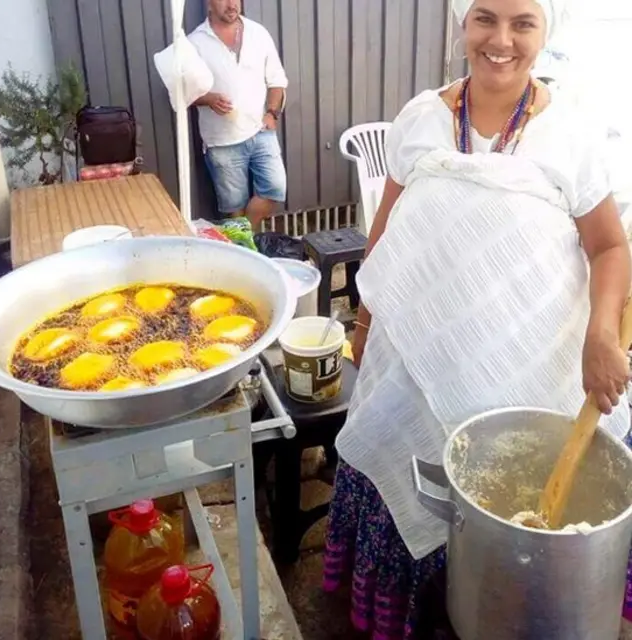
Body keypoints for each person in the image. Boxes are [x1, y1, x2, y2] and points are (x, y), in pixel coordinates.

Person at [323, 1, 632, 638]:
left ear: (546, 33)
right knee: (398, 462)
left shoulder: (571, 132)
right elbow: (388, 235)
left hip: (526, 365)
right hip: (412, 356)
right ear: (462, 25)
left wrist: (601, 334)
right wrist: (363, 321)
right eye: (484, 19)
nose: (501, 40)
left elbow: (609, 246)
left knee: (517, 509)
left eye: (523, 23)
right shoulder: (420, 118)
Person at [188, 0, 288, 228]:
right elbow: (182, 93)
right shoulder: (195, 43)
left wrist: (272, 113)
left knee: (275, 189)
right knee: (234, 206)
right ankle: (243, 249)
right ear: (209, 3)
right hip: (222, 142)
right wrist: (209, 99)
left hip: (260, 132)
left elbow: (277, 80)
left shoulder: (258, 33)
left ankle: (246, 238)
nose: (232, 4)